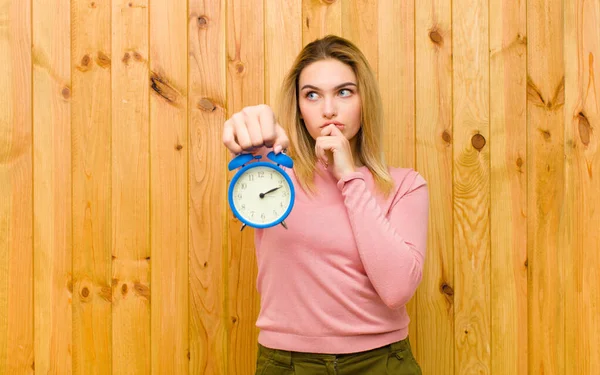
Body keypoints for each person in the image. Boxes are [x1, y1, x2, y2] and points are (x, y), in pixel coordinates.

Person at [222, 35, 428, 375]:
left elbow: (396, 290)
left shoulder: (406, 186)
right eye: (312, 95)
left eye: (344, 92)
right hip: (286, 363)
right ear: (299, 109)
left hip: (381, 361)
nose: (328, 109)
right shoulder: (273, 174)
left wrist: (349, 176)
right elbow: (244, 132)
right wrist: (245, 126)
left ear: (364, 101)